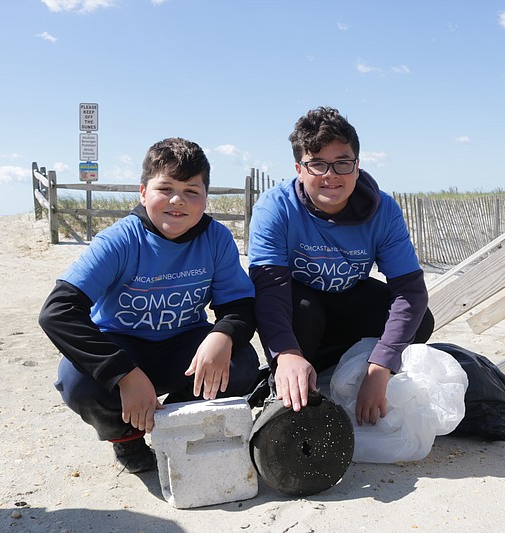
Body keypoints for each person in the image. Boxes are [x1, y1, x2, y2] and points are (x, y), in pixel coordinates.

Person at [39, 137, 260, 473]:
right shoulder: (120, 240)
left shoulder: (215, 238)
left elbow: (240, 305)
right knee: (76, 379)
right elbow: (58, 312)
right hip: (123, 345)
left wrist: (223, 335)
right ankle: (126, 438)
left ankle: (174, 424)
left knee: (241, 361)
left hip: (182, 346)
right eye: (165, 188)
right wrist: (124, 375)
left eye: (191, 191)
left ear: (205, 197)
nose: (177, 200)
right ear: (143, 192)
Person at [248, 106, 434, 427]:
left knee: (421, 321)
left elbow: (410, 292)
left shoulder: (382, 209)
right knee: (302, 309)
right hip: (299, 308)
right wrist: (287, 354)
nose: (331, 174)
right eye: (317, 163)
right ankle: (288, 381)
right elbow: (269, 290)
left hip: (348, 298)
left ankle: (340, 369)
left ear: (357, 167)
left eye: (342, 163)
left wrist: (381, 366)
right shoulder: (275, 207)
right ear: (299, 169)